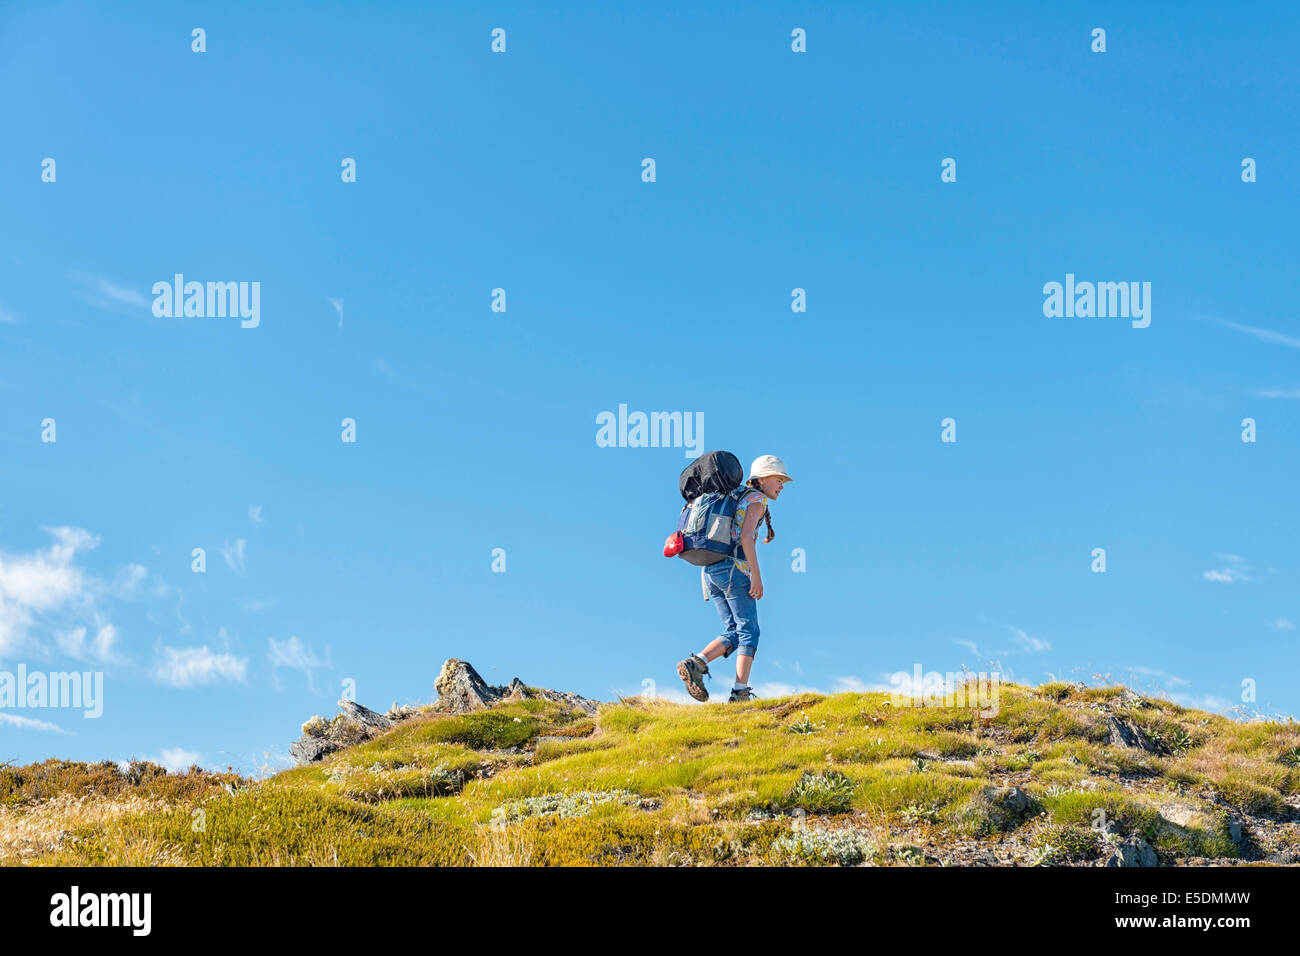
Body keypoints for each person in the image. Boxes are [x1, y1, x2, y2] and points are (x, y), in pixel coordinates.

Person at [676, 454, 792, 703]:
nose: (782, 486)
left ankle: (696, 663)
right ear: (761, 479)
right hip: (734, 570)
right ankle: (740, 692)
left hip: (711, 570)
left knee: (734, 629)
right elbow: (747, 537)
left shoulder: (735, 494)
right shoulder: (757, 499)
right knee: (750, 630)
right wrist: (756, 577)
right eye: (778, 479)